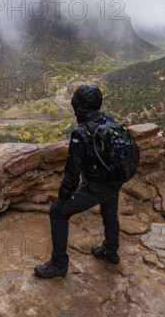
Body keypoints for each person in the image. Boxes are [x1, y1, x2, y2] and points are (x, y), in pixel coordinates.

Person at [35, 84, 122, 278]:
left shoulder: (81, 133)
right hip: (115, 180)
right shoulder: (109, 120)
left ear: (79, 105)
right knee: (109, 211)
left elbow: (72, 175)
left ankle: (59, 264)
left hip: (97, 185)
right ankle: (111, 250)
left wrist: (62, 198)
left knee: (57, 213)